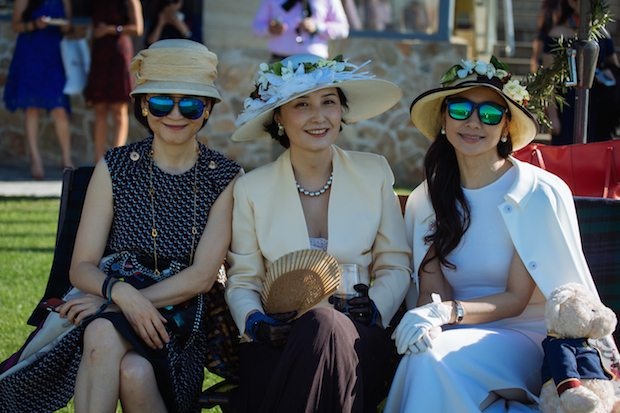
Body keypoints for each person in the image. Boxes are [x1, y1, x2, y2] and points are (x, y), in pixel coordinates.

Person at [0, 39, 242, 413]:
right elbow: (81, 266)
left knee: (104, 334)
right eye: (162, 101)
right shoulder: (114, 166)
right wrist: (121, 295)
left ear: (207, 109)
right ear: (145, 106)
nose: (175, 114)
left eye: (190, 104)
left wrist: (118, 302)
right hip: (113, 302)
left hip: (179, 323)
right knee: (131, 370)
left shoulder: (224, 177)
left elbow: (202, 277)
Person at [383, 56, 619, 412]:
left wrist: (447, 314)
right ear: (444, 119)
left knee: (433, 361)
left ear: (506, 126)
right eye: (460, 109)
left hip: (528, 337)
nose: (474, 122)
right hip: (452, 332)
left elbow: (516, 298)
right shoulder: (425, 198)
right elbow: (430, 286)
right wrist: (429, 320)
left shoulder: (536, 192)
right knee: (426, 355)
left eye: (490, 113)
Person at [225, 54, 411, 412]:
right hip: (278, 343)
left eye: (329, 102)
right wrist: (256, 321)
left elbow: (395, 264)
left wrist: (375, 307)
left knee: (326, 324)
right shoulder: (251, 188)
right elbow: (244, 280)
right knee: (320, 325)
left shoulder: (374, 172)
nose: (318, 116)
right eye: (301, 105)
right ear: (278, 117)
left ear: (342, 111)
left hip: (360, 339)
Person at [3, 0, 73, 180]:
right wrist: (35, 24)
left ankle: (66, 159)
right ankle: (36, 160)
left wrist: (64, 26)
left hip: (54, 56)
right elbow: (16, 25)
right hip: (30, 54)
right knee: (31, 108)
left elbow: (68, 24)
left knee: (59, 109)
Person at [542, 0, 620, 144]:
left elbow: (614, 67)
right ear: (572, 3)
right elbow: (548, 80)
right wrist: (552, 117)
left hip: (598, 106)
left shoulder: (602, 32)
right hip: (567, 104)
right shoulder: (558, 34)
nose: (590, 7)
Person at [83, 0, 143, 162]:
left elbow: (138, 28)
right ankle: (98, 161)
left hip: (119, 53)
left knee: (119, 109)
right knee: (100, 108)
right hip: (100, 53)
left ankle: (116, 160)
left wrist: (112, 29)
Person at [252, 0, 349, 60]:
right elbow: (256, 27)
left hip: (314, 61)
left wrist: (318, 27)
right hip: (280, 60)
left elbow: (343, 29)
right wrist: (269, 29)